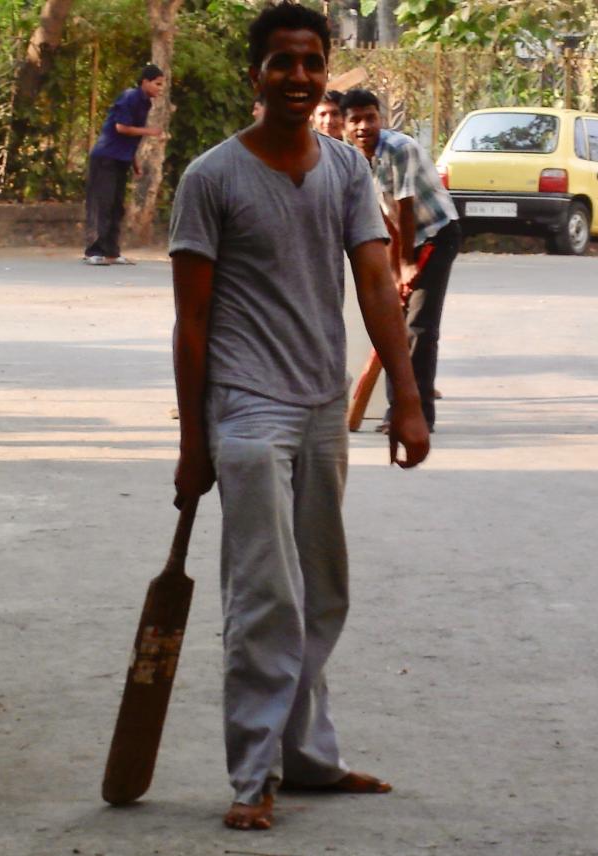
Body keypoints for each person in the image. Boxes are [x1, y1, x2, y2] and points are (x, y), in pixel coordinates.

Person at [168, 1, 430, 831]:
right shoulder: (210, 178)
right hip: (245, 410)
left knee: (321, 593)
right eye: (282, 62)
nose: (299, 76)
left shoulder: (348, 173)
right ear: (256, 75)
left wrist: (408, 399)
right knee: (264, 595)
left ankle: (310, 758)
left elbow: (378, 286)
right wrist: (190, 443)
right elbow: (193, 322)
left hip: (321, 409)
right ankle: (253, 776)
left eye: (311, 61)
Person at [341, 87, 460, 432]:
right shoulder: (356, 159)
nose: (364, 126)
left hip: (437, 234)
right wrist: (393, 274)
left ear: (381, 118)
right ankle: (396, 411)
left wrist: (407, 265)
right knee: (394, 325)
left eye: (370, 117)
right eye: (356, 120)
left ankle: (419, 415)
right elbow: (386, 219)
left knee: (419, 328)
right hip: (405, 241)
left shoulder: (399, 148)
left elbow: (405, 209)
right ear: (347, 126)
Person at [83, 64, 165, 267]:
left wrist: (134, 162)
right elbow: (121, 128)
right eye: (157, 84)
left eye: (162, 85)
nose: (160, 89)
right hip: (105, 157)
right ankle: (93, 251)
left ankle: (111, 251)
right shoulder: (129, 97)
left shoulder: (146, 103)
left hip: (121, 159)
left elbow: (131, 139)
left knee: (117, 206)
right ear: (145, 81)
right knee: (103, 203)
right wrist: (150, 131)